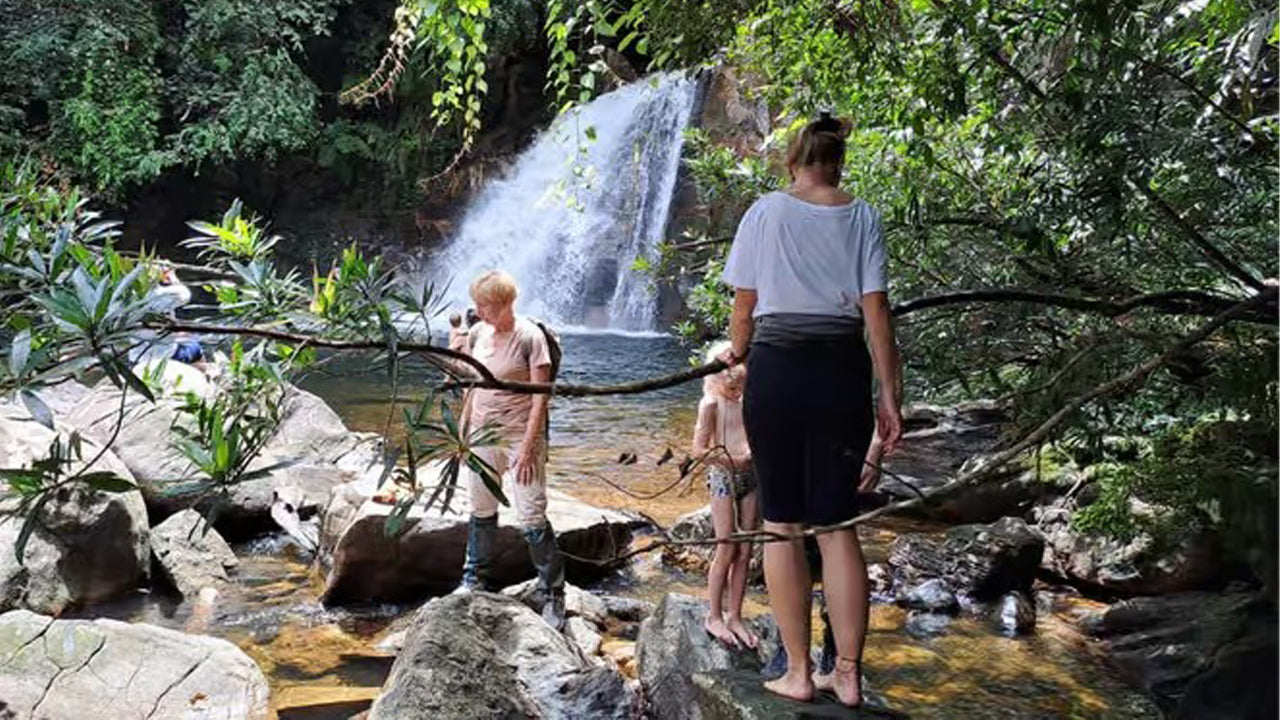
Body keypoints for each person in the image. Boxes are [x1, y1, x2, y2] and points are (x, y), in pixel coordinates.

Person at [720, 112, 903, 707]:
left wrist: (736, 356)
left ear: (793, 160)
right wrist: (890, 397)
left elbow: (744, 308)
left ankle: (798, 672)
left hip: (778, 369)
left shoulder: (764, 212)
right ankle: (847, 673)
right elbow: (877, 315)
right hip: (841, 371)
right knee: (837, 524)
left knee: (781, 523)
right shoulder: (863, 215)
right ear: (836, 162)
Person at [455, 270, 566, 629]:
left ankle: (553, 593)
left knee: (532, 514)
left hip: (520, 435)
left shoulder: (530, 337)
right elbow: (471, 383)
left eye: (484, 305)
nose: (478, 310)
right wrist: (462, 432)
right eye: (477, 304)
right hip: (480, 435)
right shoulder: (477, 333)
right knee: (480, 507)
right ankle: (474, 580)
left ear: (504, 304)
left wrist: (530, 446)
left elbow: (541, 396)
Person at [692, 340, 760, 649]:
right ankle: (714, 615)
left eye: (739, 385)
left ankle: (735, 615)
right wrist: (730, 460)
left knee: (745, 549)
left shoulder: (748, 401)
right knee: (726, 546)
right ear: (715, 378)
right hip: (723, 477)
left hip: (750, 478)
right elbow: (698, 451)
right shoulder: (710, 405)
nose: (735, 390)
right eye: (730, 384)